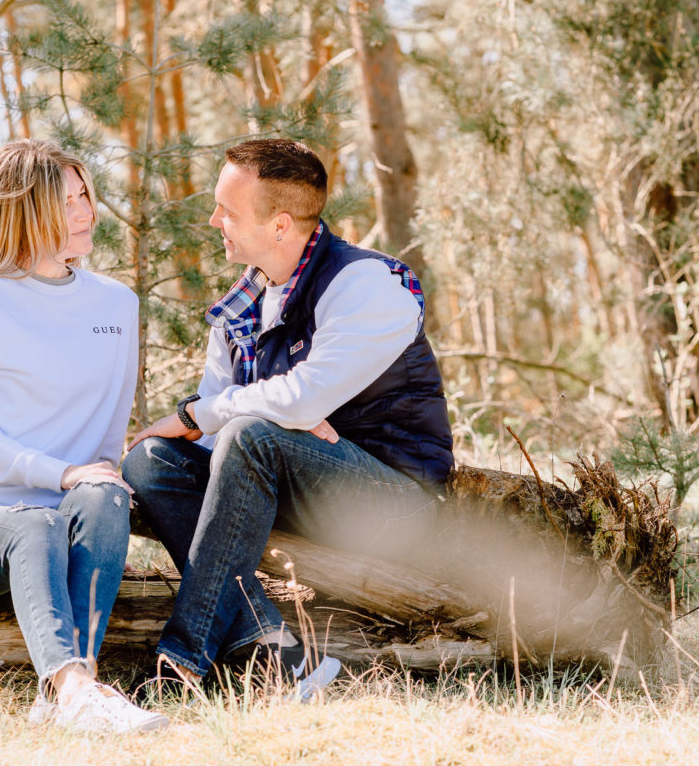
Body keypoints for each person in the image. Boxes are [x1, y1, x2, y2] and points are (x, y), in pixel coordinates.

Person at [123, 138, 454, 697]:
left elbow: (284, 406)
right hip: (293, 491)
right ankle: (279, 658)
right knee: (152, 460)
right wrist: (272, 416)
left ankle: (179, 666)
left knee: (254, 435)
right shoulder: (240, 309)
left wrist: (234, 415)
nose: (213, 220)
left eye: (227, 210)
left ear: (280, 225)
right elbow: (230, 430)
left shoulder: (369, 285)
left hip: (395, 504)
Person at [0, 139, 168, 733]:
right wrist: (60, 475)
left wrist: (88, 485)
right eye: (66, 200)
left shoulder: (116, 304)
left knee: (106, 491)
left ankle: (73, 689)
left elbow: (104, 436)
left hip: (57, 532)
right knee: (34, 519)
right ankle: (75, 691)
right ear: (23, 210)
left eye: (86, 196)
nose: (85, 212)